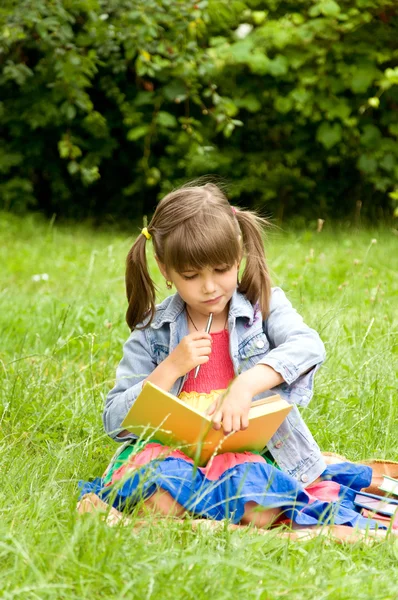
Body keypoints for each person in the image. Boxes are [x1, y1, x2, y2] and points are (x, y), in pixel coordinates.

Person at [78, 182, 391, 533]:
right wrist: (169, 369)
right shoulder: (153, 331)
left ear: (239, 257)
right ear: (164, 270)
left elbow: (308, 346)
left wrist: (245, 385)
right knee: (160, 499)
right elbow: (115, 420)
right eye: (192, 276)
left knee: (261, 510)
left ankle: (210, 509)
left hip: (241, 452)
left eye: (221, 270)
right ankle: (190, 505)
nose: (210, 287)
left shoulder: (262, 305)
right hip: (170, 454)